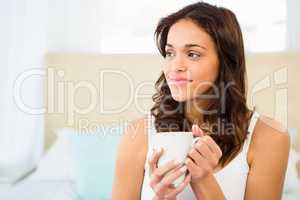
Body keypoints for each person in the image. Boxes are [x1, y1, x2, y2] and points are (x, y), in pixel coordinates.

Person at [112, 2, 290, 200]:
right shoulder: (138, 135)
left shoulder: (270, 137)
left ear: (225, 63)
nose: (175, 66)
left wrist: (203, 179)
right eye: (170, 53)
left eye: (192, 54)